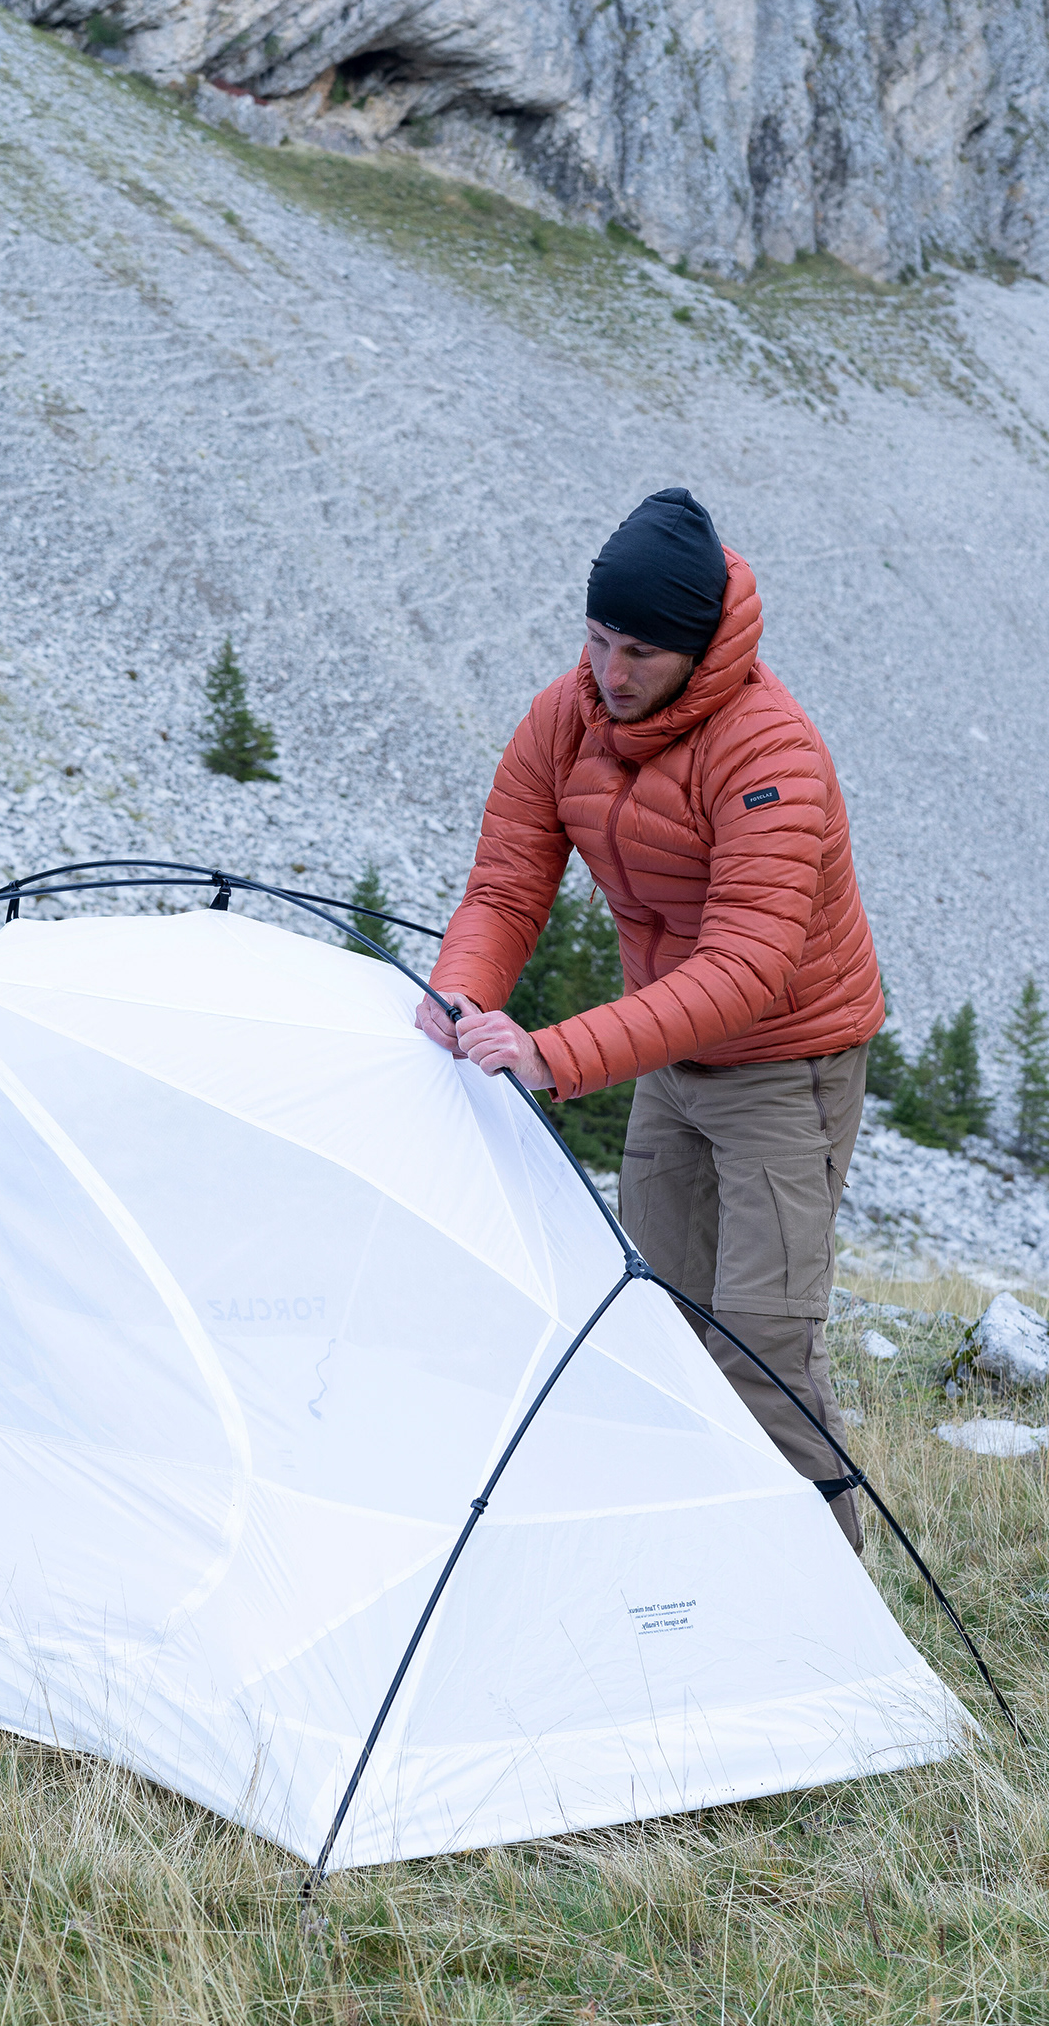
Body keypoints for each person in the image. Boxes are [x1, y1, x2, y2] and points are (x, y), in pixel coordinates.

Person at [416, 487, 882, 1552]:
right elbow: (504, 886)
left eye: (638, 653)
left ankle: (829, 1597)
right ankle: (698, 1563)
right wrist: (463, 989)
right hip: (668, 1058)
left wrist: (555, 1055)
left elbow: (748, 968)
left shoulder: (769, 755)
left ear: (699, 649)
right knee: (665, 1318)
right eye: (595, 640)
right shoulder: (563, 715)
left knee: (761, 1340)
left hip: (784, 1067)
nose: (609, 675)